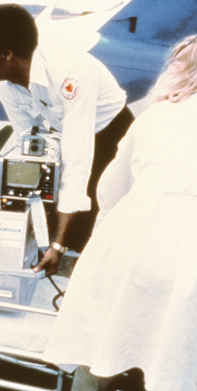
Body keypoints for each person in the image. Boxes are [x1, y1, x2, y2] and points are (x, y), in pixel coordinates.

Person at [42, 35, 197, 391]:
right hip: (188, 257)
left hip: (133, 244)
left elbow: (110, 191)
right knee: (175, 357)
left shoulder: (154, 116)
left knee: (103, 341)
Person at [0, 4, 134, 275]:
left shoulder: (69, 75)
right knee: (52, 200)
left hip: (112, 134)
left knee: (99, 223)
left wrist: (57, 244)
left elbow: (77, 162)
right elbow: (28, 148)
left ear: (7, 55)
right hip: (68, 132)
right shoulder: (6, 87)